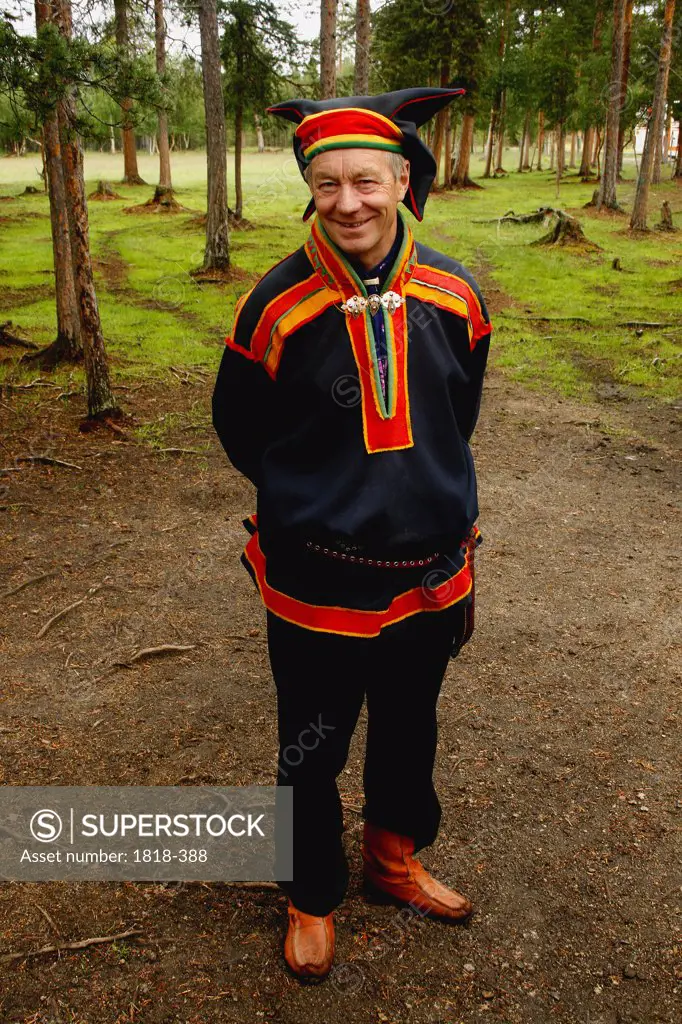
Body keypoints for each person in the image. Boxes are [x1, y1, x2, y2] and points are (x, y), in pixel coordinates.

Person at [212, 86, 492, 982]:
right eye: (326, 183)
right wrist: (317, 497)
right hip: (316, 578)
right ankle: (311, 894)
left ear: (401, 180)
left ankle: (394, 860)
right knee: (312, 741)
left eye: (366, 181)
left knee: (411, 727)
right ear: (309, 187)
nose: (348, 204)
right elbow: (239, 428)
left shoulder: (454, 295)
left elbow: (460, 414)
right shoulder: (275, 306)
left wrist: (418, 494)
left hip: (429, 572)